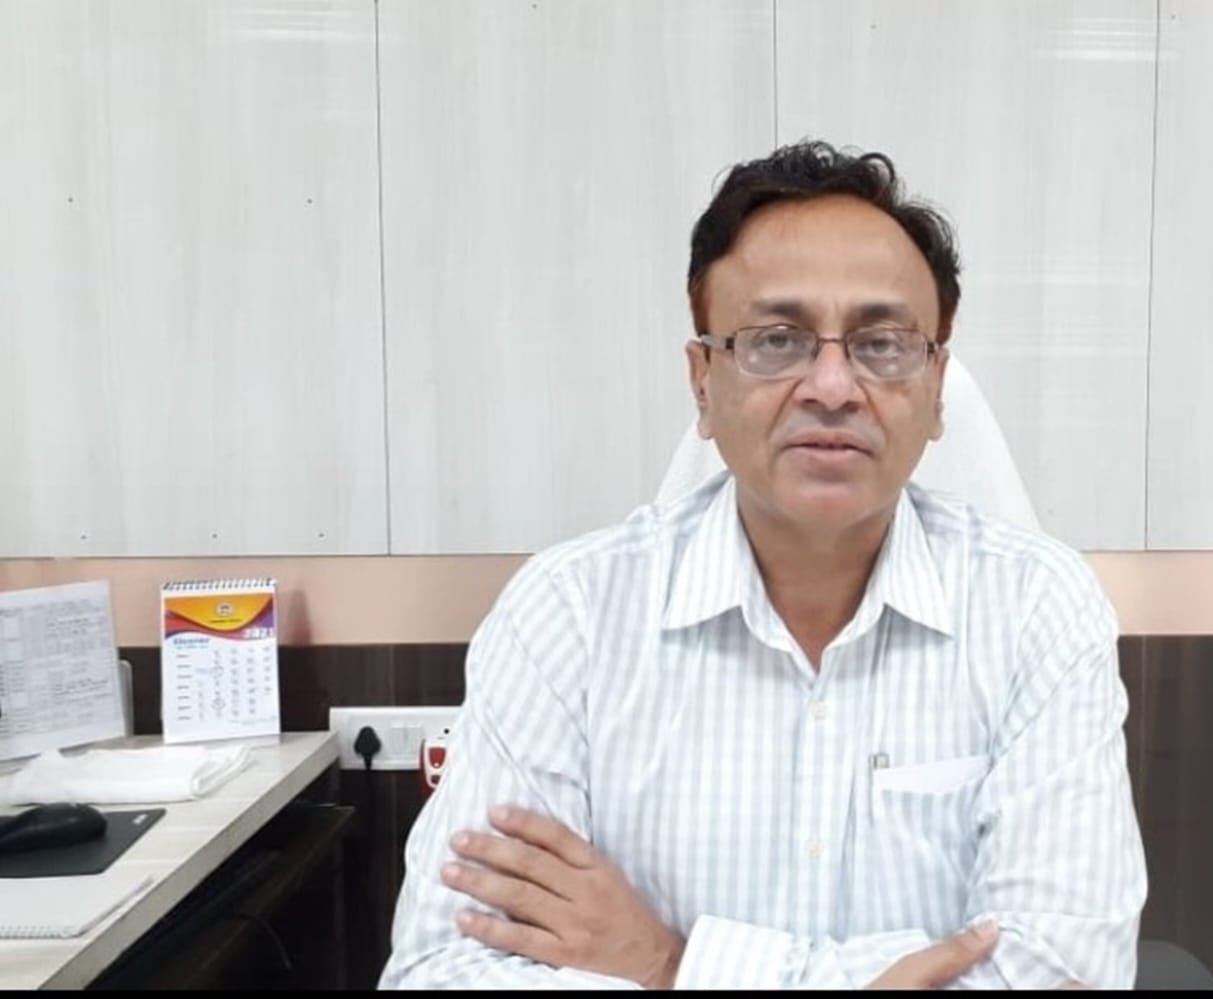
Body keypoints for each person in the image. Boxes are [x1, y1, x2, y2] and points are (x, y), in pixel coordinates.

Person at [380, 141, 1146, 990]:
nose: (832, 385)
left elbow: (1065, 969)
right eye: (777, 340)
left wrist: (672, 965)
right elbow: (443, 970)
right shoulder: (567, 616)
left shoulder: (1038, 607)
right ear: (702, 381)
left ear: (936, 385)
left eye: (883, 343)